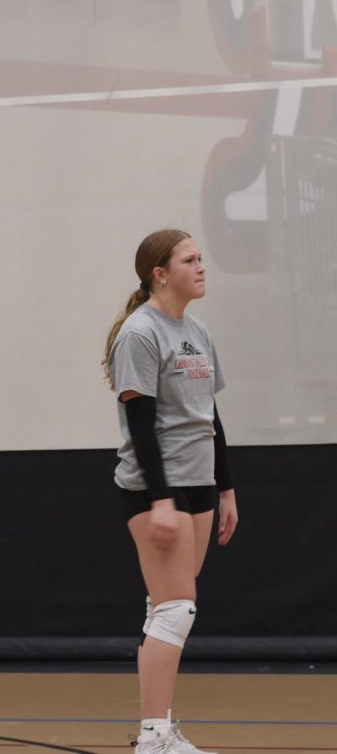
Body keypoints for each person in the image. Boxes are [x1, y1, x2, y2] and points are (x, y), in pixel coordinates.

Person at [102, 231, 238, 754]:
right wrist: (160, 498)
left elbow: (210, 416)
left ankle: (159, 725)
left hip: (200, 481)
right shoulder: (140, 333)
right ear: (161, 273)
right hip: (156, 487)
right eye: (190, 259)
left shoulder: (197, 331)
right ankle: (155, 738)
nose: (201, 266)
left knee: (168, 605)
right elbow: (139, 423)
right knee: (176, 608)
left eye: (201, 256)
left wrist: (226, 489)